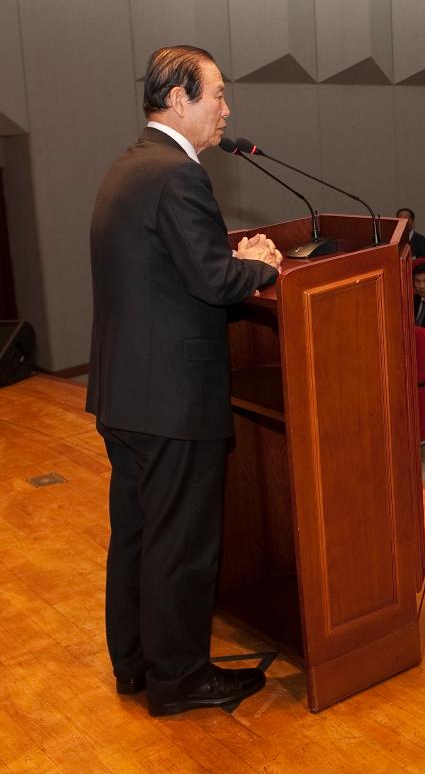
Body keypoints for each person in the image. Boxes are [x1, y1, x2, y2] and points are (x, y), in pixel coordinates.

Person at [88, 45, 281, 716]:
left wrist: (230, 256)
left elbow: (168, 269)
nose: (227, 110)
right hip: (172, 397)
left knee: (139, 532)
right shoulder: (178, 174)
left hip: (126, 391)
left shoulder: (129, 165)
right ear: (178, 99)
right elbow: (212, 280)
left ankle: (136, 662)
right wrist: (257, 262)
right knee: (181, 542)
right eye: (218, 95)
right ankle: (180, 676)